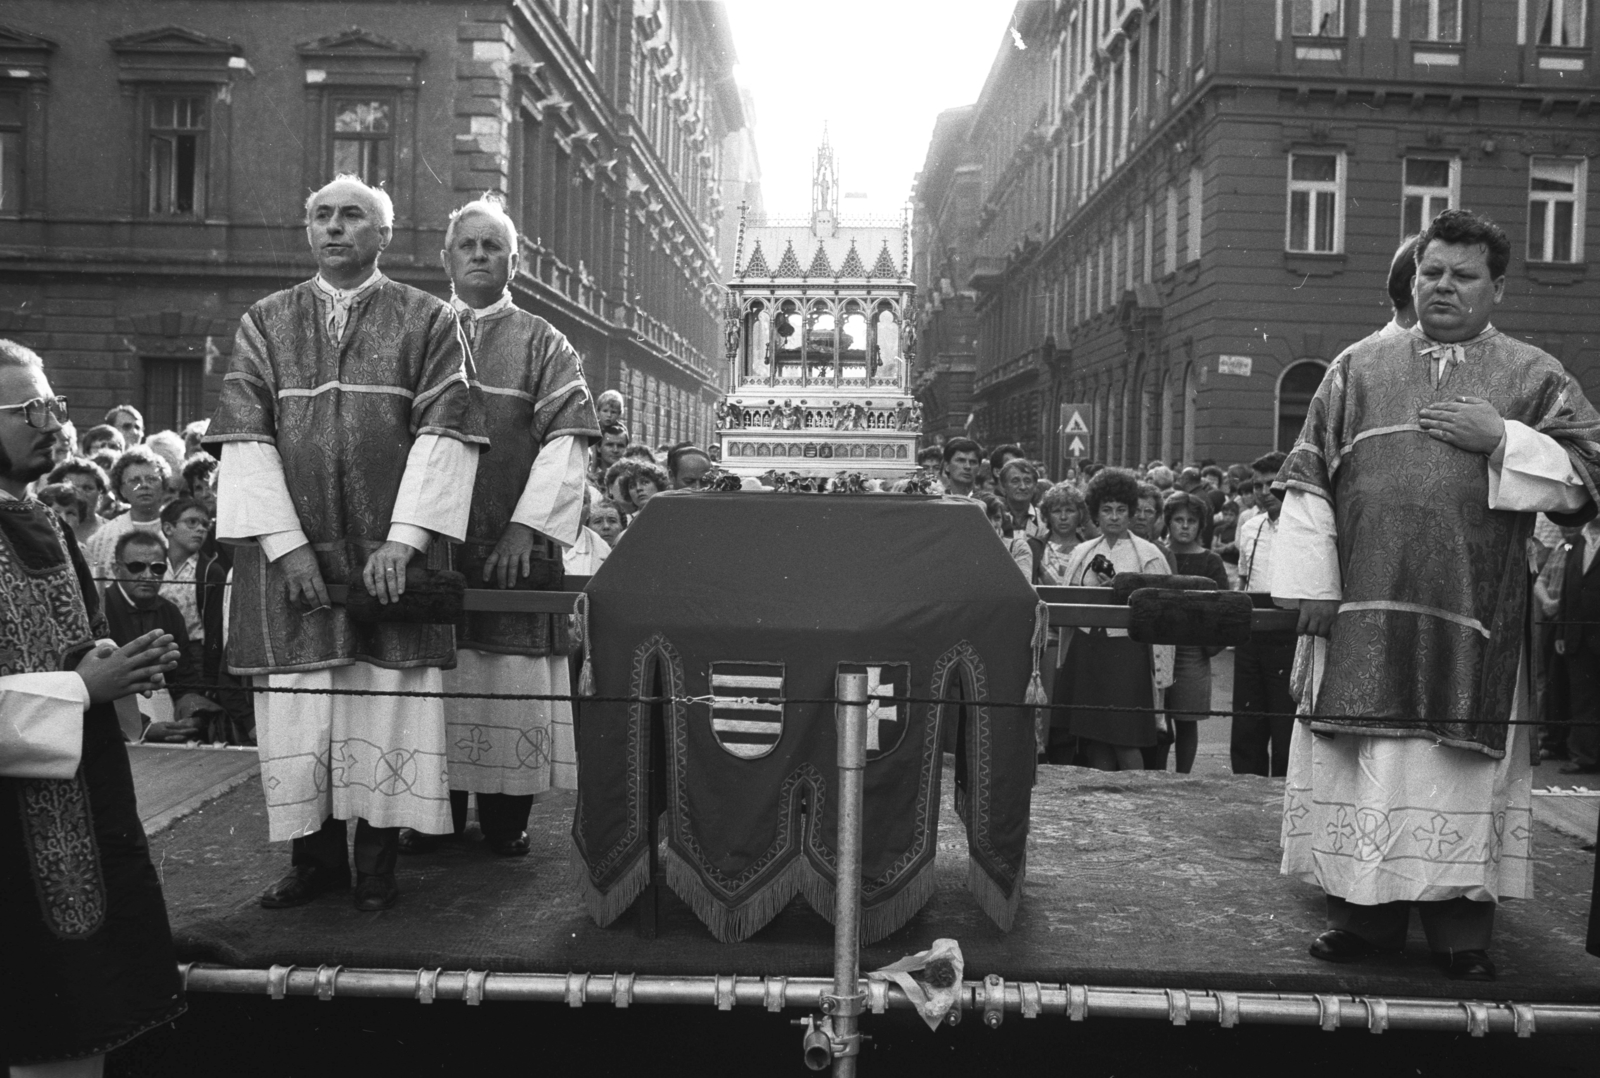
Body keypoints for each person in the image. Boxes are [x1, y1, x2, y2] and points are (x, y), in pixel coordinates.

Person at [1274, 209, 1600, 981]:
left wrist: (1504, 441)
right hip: (1360, 610)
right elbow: (1306, 476)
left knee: (1453, 774)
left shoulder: (1534, 374)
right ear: (1413, 275)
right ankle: (1362, 924)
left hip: (1473, 622)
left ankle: (1461, 937)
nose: (1443, 286)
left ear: (1496, 288)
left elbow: (1589, 478)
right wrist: (1313, 587)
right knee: (1366, 764)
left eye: (1462, 275)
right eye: (1431, 271)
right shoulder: (1356, 366)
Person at [209, 173, 485, 912]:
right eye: (323, 216)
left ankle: (379, 868)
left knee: (386, 700)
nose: (336, 227)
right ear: (309, 232)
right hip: (289, 555)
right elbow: (244, 436)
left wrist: (403, 543)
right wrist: (286, 548)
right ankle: (317, 864)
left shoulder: (427, 318)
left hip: (388, 553)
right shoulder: (266, 320)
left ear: (383, 235)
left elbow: (445, 434)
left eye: (353, 216)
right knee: (305, 707)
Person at [0, 340, 186, 1074]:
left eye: (55, 406)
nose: (53, 423)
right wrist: (83, 689)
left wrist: (107, 661)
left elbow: (71, 636)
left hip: (79, 813)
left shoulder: (43, 522)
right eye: (30, 409)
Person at [402, 196, 597, 859]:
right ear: (446, 258)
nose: (480, 256)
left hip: (511, 548)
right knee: (436, 677)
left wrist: (525, 529)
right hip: (430, 549)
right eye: (468, 246)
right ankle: (437, 814)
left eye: (493, 247)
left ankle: (508, 817)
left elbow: (568, 442)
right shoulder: (418, 331)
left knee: (508, 679)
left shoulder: (544, 341)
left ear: (514, 260)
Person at [1047, 468, 1173, 770]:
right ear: (1095, 514)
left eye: (1120, 510)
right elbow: (1070, 600)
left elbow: (1163, 612)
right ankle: (1102, 806)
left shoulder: (1149, 554)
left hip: (1127, 654)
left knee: (1125, 738)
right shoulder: (1083, 551)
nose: (1114, 517)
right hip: (1088, 649)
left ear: (1130, 513)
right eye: (1107, 510)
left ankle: (1137, 804)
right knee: (1094, 739)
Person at [102, 531, 208, 743]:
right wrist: (144, 727)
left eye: (157, 568)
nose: (148, 576)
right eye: (137, 567)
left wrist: (193, 716)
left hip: (165, 717)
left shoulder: (170, 612)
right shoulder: (99, 610)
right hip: (114, 728)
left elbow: (185, 678)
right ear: (116, 569)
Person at [1230, 451, 1295, 777]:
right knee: (1247, 721)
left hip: (1287, 627)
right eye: (1258, 485)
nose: (1264, 491)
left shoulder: (1301, 528)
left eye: (1272, 484)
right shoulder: (1250, 526)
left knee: (1284, 719)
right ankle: (1245, 784)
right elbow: (1243, 577)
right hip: (1251, 625)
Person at [1159, 492, 1230, 774]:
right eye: (1178, 520)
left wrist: (1208, 645)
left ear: (1201, 525)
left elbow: (1224, 607)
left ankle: (1184, 777)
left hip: (1192, 650)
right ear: (1168, 523)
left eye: (1191, 520)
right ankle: (1157, 776)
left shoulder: (1210, 561)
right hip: (1160, 647)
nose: (1185, 526)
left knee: (1187, 720)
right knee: (1158, 721)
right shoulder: (1160, 554)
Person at [1551, 516, 1600, 774]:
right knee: (1582, 700)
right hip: (1578, 637)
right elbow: (1567, 593)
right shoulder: (1576, 542)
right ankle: (1583, 756)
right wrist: (1561, 632)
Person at [83, 445, 169, 586]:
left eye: (151, 479)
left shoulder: (177, 529)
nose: (144, 485)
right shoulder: (103, 537)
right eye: (135, 481)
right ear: (122, 490)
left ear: (163, 485)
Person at [47, 457, 110, 546]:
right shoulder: (44, 529)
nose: (79, 495)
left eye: (87, 488)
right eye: (71, 488)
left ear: (100, 495)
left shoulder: (113, 531)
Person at [1037, 482, 1088, 585]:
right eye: (1056, 511)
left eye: (1069, 511)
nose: (1063, 517)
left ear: (1080, 514)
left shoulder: (1090, 550)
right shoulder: (1034, 547)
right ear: (1047, 515)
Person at [978, 491, 1033, 580]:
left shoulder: (1018, 548)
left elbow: (1022, 588)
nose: (992, 524)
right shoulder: (964, 547)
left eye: (997, 518)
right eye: (986, 517)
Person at [997, 458, 1046, 541]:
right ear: (1003, 486)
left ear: (1035, 486)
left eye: (1027, 481)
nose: (1023, 487)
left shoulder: (1043, 520)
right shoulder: (995, 518)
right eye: (1015, 481)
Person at [590, 422, 629, 488]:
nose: (615, 450)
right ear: (599, 448)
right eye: (610, 445)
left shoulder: (630, 478)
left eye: (620, 446)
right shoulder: (589, 476)